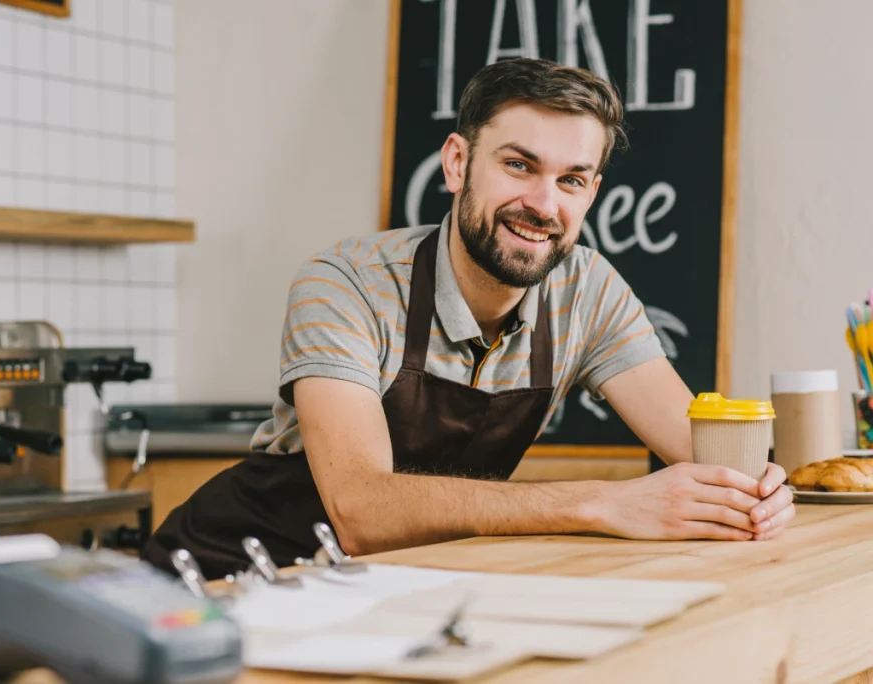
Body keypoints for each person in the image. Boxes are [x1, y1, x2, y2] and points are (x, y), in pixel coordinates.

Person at [144, 58, 794, 581]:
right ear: (458, 164)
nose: (543, 204)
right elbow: (361, 510)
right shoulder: (345, 283)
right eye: (518, 165)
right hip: (230, 581)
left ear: (592, 191)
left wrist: (759, 489)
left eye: (572, 180)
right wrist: (605, 502)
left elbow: (703, 453)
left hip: (394, 587)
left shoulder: (588, 291)